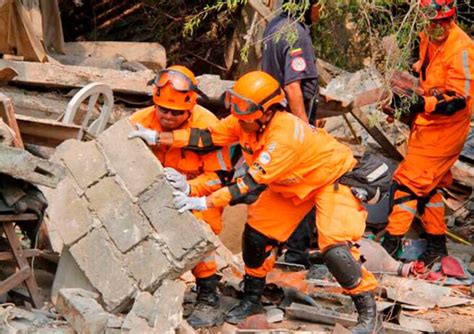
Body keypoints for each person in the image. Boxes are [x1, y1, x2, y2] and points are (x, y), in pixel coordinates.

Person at [147, 71, 381, 332]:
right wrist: (157, 137)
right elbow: (206, 137)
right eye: (234, 104)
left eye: (244, 108)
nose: (237, 114)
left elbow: (248, 184)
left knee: (335, 249)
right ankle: (252, 298)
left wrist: (202, 202)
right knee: (256, 237)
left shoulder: (284, 137)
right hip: (293, 183)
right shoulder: (245, 122)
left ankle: (369, 315)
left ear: (267, 111)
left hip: (332, 179)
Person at [128, 65, 231, 328]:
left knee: (197, 229)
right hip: (150, 192)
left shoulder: (208, 127)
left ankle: (209, 297)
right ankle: (143, 292)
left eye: (176, 112)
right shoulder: (140, 121)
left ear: (190, 106)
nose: (169, 116)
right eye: (163, 110)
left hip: (195, 194)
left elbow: (219, 178)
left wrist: (189, 189)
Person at [381, 0, 473, 266]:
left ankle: (391, 243)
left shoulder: (462, 48)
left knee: (407, 182)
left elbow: (459, 100)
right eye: (432, 23)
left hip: (446, 130)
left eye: (442, 22)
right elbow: (423, 72)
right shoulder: (426, 37)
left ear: (451, 18)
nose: (437, 28)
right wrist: (406, 98)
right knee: (430, 186)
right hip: (426, 125)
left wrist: (424, 103)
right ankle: (437, 246)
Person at [262, 0, 321, 267]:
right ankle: (297, 255)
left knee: (282, 184)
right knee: (302, 185)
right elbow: (293, 86)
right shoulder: (296, 33)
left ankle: (276, 247)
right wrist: (303, 127)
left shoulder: (274, 25)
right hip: (291, 121)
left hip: (276, 117)